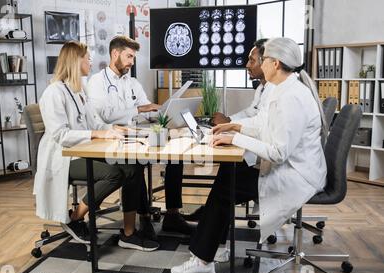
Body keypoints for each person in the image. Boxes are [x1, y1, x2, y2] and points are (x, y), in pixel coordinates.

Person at [170, 37, 328, 273]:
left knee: (226, 187)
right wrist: (233, 127)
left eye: (263, 59)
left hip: (295, 177)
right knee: (229, 175)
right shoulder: (284, 89)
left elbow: (278, 152)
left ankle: (203, 261)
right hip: (289, 168)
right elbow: (263, 123)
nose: (259, 64)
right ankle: (213, 249)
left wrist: (235, 138)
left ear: (275, 63)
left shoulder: (291, 97)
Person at [33, 41, 159, 252]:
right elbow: (60, 135)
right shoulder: (53, 93)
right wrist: (97, 133)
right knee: (113, 174)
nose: (91, 62)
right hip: (63, 158)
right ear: (75, 61)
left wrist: (115, 129)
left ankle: (128, 234)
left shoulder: (79, 91)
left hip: (84, 151)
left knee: (133, 166)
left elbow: (95, 122)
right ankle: (75, 218)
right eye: (87, 58)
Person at [87, 36, 194, 239]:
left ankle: (172, 215)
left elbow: (146, 110)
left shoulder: (132, 82)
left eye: (133, 57)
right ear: (115, 54)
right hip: (111, 138)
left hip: (136, 133)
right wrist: (138, 108)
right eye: (129, 56)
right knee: (135, 163)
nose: (132, 62)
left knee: (175, 157)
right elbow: (103, 115)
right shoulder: (97, 82)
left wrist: (163, 112)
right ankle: (144, 217)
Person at [182, 38, 273, 225]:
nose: (247, 65)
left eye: (252, 61)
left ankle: (211, 219)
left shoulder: (276, 91)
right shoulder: (263, 87)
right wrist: (229, 121)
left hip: (271, 167)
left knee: (226, 180)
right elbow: (251, 113)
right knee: (227, 169)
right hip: (263, 156)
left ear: (267, 63)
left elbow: (262, 124)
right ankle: (211, 215)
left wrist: (231, 126)